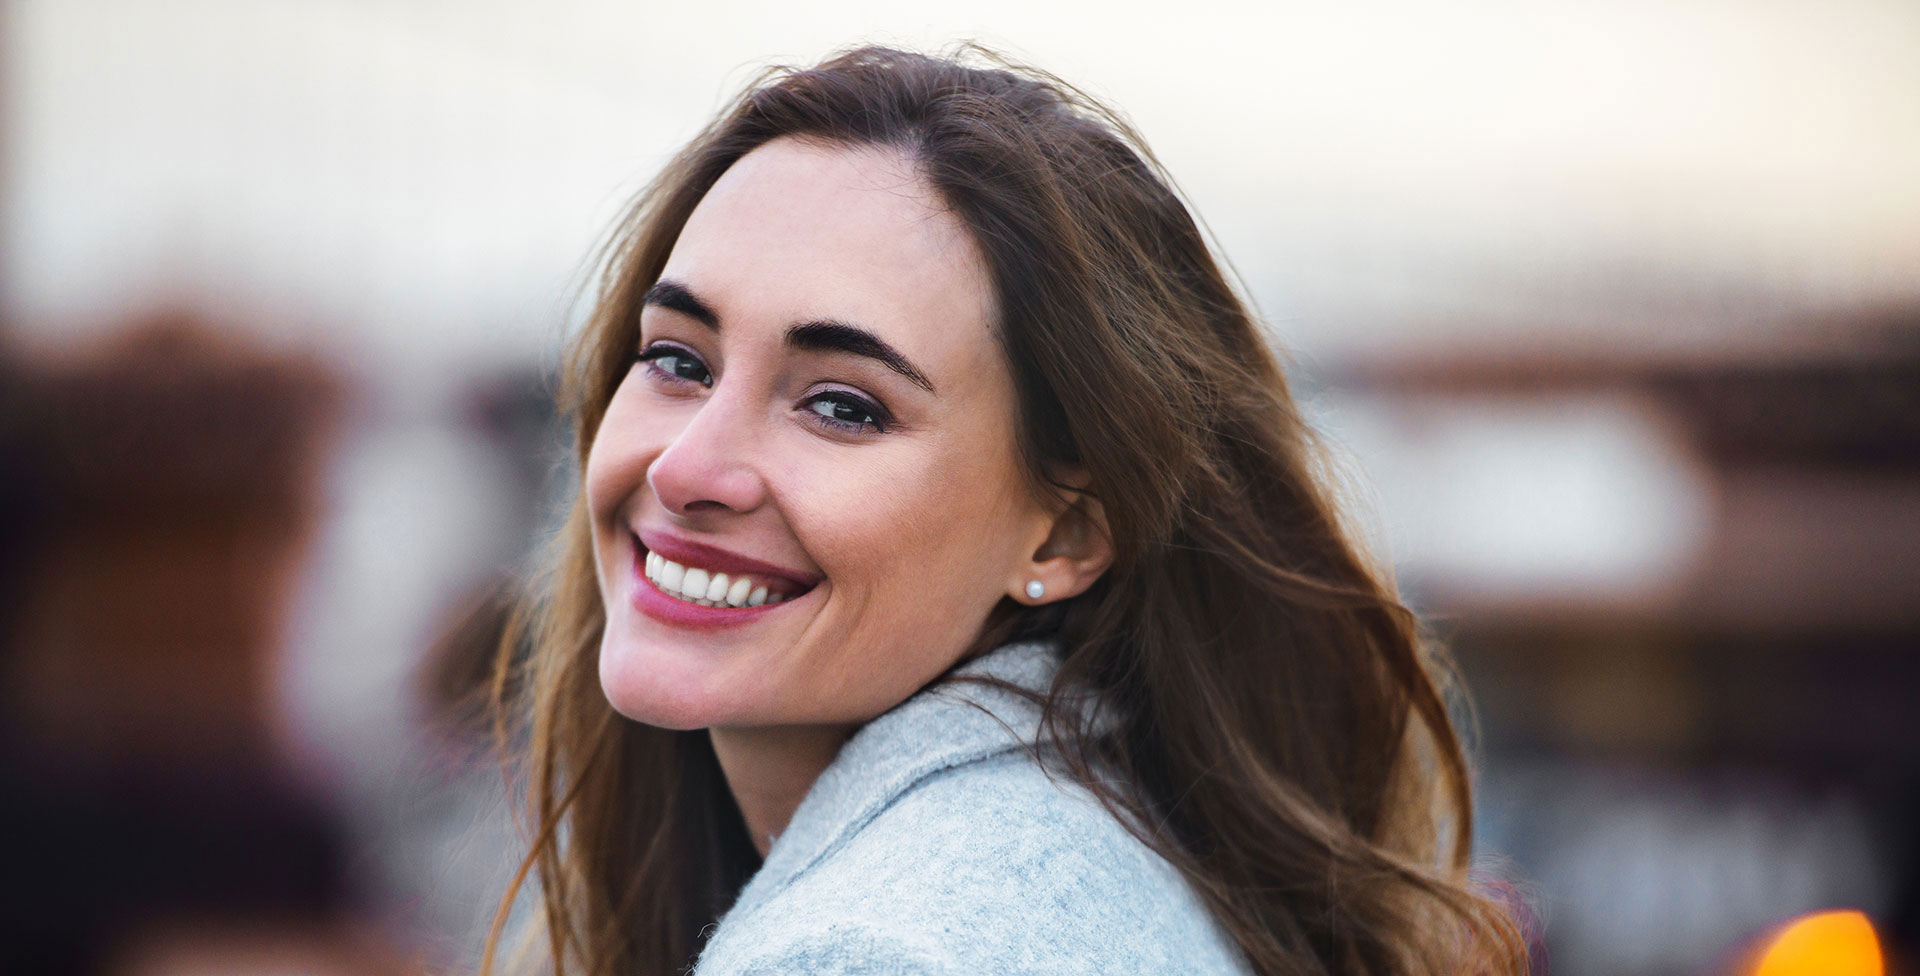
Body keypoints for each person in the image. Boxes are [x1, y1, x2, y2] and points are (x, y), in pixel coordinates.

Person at [483, 45, 1529, 976]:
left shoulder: (866, 950)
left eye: (842, 406)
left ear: (1067, 532)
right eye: (677, 358)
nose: (687, 466)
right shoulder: (1121, 849)